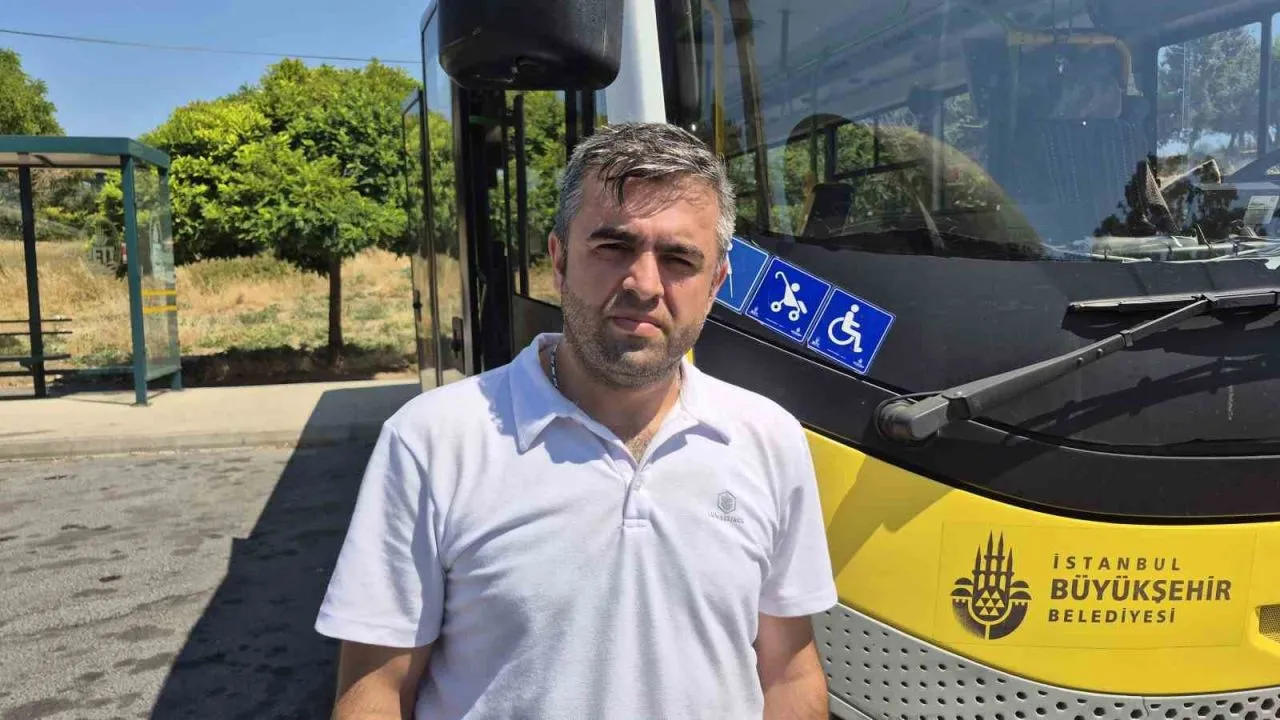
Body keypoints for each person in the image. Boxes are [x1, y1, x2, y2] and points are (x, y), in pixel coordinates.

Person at [314, 121, 837, 719]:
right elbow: (375, 691)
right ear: (559, 261)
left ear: (716, 282)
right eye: (613, 248)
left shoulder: (769, 439)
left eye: (678, 259)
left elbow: (790, 673)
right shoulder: (432, 440)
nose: (644, 284)